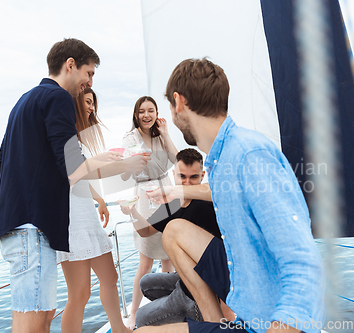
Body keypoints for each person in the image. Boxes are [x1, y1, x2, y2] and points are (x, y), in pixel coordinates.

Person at [135, 58, 326, 333]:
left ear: (178, 102)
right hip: (246, 297)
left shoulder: (249, 155)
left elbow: (305, 264)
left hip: (268, 321)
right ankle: (215, 323)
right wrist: (178, 190)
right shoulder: (222, 159)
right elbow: (223, 191)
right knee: (174, 231)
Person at [0, 38, 149, 333]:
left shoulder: (22, 103)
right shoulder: (58, 97)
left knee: (42, 313)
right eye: (88, 73)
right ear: (70, 65)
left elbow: (2, 168)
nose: (88, 83)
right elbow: (74, 170)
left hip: (18, 227)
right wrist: (121, 163)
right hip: (33, 228)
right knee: (34, 320)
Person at [120, 149, 234, 327]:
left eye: (193, 177)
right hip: (184, 278)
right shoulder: (172, 203)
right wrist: (132, 211)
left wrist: (224, 315)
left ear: (203, 176)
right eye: (182, 177)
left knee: (142, 318)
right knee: (146, 282)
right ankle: (179, 314)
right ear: (173, 175)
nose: (187, 183)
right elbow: (146, 231)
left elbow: (221, 260)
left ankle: (192, 314)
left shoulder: (209, 206)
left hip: (200, 292)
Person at [56, 88, 132, 333]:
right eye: (88, 102)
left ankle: (119, 328)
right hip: (71, 223)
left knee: (110, 278)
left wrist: (99, 199)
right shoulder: (65, 137)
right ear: (76, 102)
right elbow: (70, 176)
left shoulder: (79, 139)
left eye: (93, 104)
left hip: (86, 219)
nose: (92, 108)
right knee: (79, 294)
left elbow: (83, 177)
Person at [121, 96, 178, 328]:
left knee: (169, 257)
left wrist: (165, 133)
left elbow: (176, 159)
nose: (147, 115)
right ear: (136, 115)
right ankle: (134, 312)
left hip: (167, 190)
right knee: (145, 261)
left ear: (156, 113)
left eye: (151, 111)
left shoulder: (159, 135)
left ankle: (165, 311)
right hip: (145, 193)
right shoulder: (130, 138)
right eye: (142, 111)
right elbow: (132, 166)